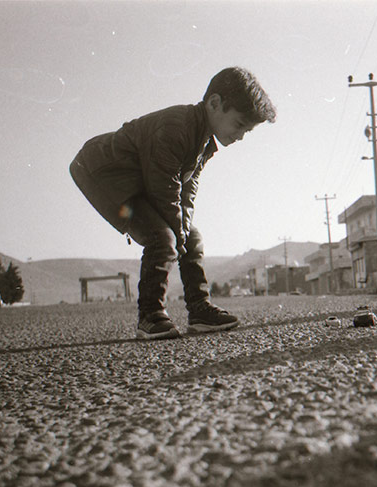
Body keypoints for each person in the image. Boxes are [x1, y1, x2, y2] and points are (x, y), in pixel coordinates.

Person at [70, 67, 276, 339]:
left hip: (140, 180)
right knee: (162, 236)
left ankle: (200, 309)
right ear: (215, 103)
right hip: (101, 172)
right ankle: (150, 316)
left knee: (191, 236)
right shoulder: (176, 127)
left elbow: (187, 189)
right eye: (239, 125)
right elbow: (163, 189)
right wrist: (177, 231)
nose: (240, 136)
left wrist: (185, 228)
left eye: (246, 131)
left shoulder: (204, 141)